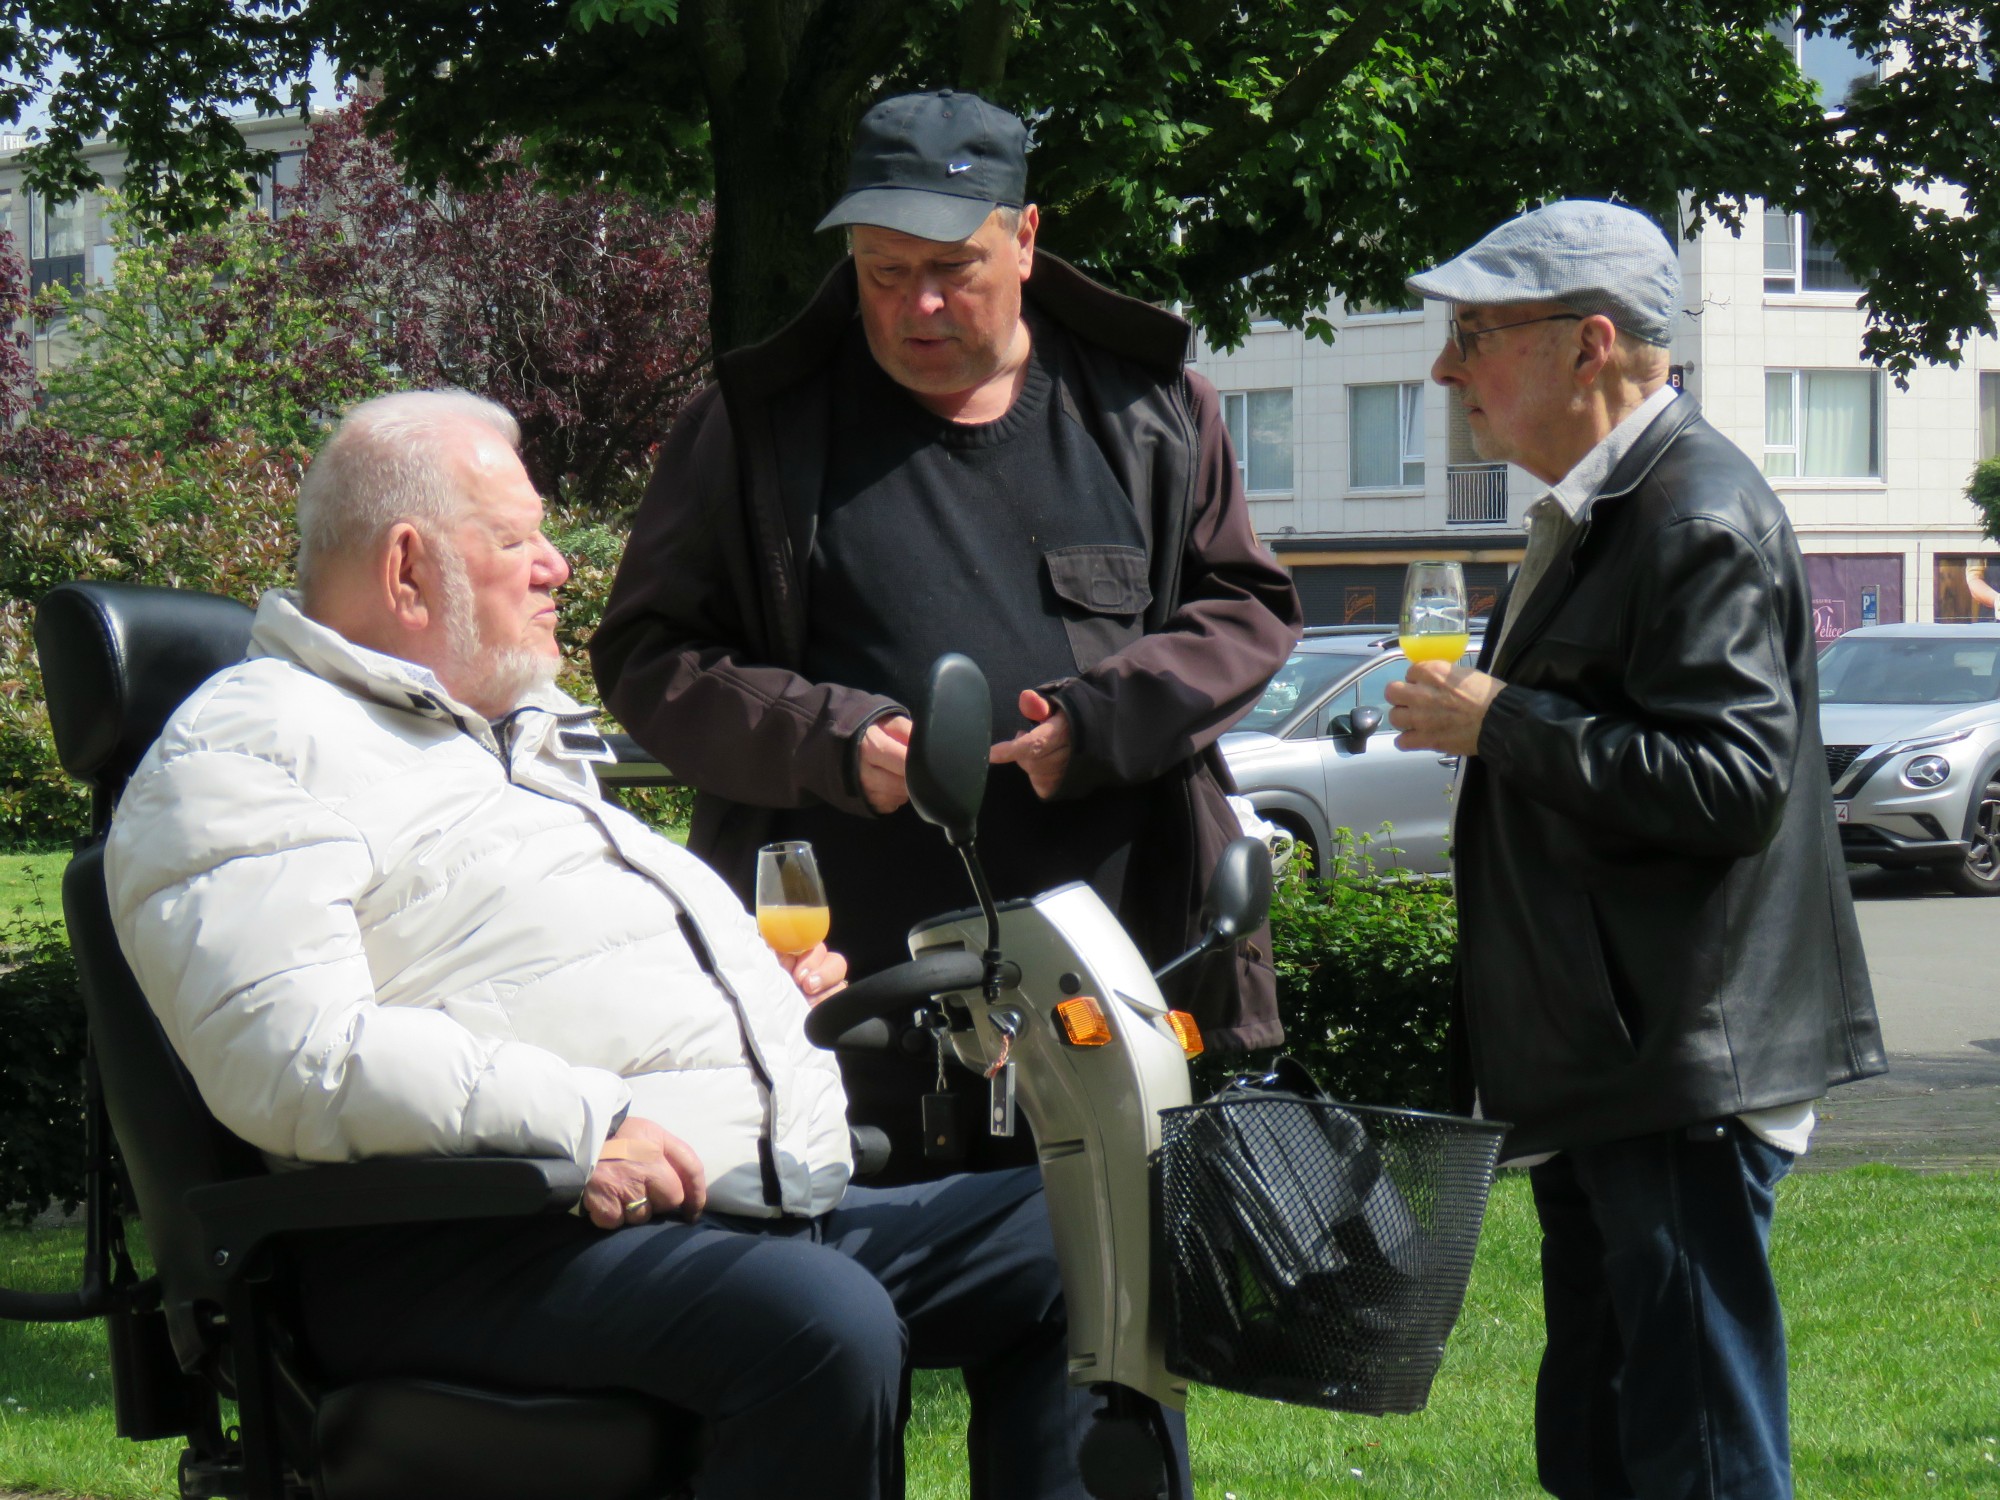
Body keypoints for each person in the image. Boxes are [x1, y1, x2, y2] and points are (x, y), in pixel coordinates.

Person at [103, 390, 1190, 1500]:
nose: (558, 567)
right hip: (455, 1237)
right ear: (405, 569)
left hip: (708, 1206)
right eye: (519, 539)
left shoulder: (506, 745)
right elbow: (292, 1054)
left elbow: (528, 970)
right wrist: (586, 1120)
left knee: (1096, 1224)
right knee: (818, 1324)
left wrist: (747, 1002)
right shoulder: (250, 747)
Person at [590, 89, 1301, 1178]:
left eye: (951, 270)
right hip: (845, 1004)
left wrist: (1101, 721)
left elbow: (1246, 609)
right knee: (854, 1326)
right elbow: (649, 655)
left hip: (1112, 988)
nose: (918, 306)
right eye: (882, 273)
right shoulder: (757, 426)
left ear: (1023, 239)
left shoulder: (1149, 409)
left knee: (1103, 1328)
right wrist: (831, 740)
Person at [1383, 201, 1887, 1500]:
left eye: (1477, 334)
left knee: (1697, 1459)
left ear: (1588, 345)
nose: (1448, 370)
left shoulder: (1690, 518)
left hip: (1681, 1080)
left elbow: (1729, 784)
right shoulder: (1611, 507)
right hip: (1622, 1069)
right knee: (1607, 1453)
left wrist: (1504, 722)